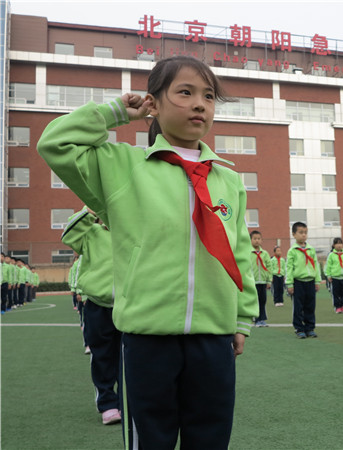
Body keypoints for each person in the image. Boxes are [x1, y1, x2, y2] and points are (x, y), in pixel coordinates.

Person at [38, 56, 259, 449]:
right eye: (185, 92)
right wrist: (116, 112)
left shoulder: (228, 178)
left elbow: (239, 252)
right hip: (147, 337)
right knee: (150, 440)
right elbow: (54, 142)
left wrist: (241, 318)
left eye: (209, 96)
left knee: (210, 437)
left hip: (214, 336)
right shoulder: (123, 166)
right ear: (153, 104)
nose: (200, 104)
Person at [61, 207, 122, 425]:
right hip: (99, 304)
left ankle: (127, 402)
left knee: (131, 357)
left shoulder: (130, 229)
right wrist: (89, 210)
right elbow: (68, 234)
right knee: (103, 355)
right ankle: (107, 403)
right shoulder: (91, 232)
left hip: (130, 305)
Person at [286, 221, 320, 339]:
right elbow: (289, 268)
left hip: (310, 282)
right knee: (298, 306)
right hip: (298, 282)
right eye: (300, 232)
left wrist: (317, 281)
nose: (303, 235)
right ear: (294, 234)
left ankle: (310, 328)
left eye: (305, 232)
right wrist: (289, 284)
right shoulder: (292, 251)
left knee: (310, 306)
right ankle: (299, 328)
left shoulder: (311, 249)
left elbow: (316, 265)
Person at [250, 230, 272, 327]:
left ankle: (262, 319)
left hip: (262, 281)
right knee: (254, 301)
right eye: (254, 239)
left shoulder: (265, 254)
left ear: (261, 240)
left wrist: (269, 280)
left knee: (262, 300)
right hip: (252, 281)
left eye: (259, 239)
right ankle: (256, 319)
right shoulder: (248, 253)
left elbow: (269, 267)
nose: (257, 241)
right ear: (250, 240)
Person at [325, 237, 343, 314]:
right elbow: (328, 266)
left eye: (340, 243)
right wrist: (328, 275)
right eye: (337, 243)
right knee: (335, 293)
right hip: (335, 277)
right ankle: (337, 306)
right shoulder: (331, 255)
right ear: (333, 245)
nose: (339, 245)